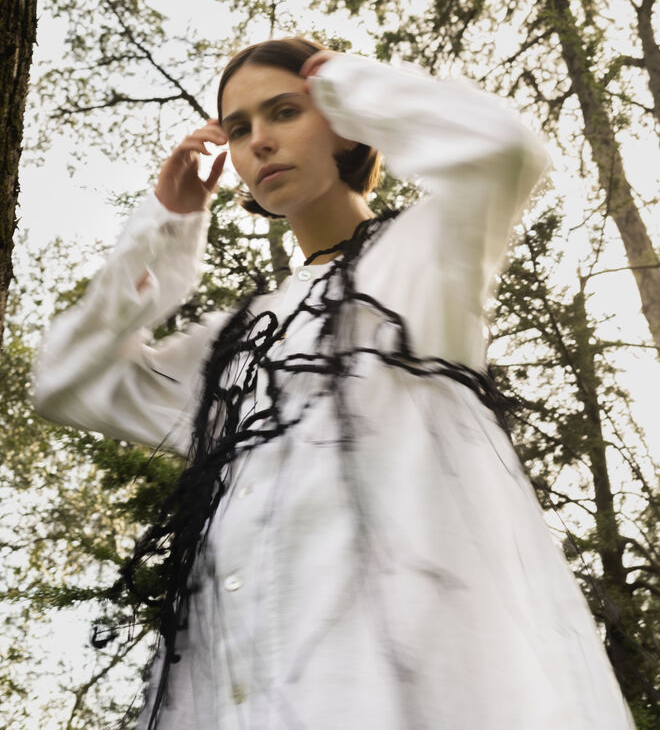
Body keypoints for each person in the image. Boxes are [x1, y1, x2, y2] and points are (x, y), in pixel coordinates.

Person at [34, 37, 635, 729]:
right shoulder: (234, 344)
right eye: (238, 129)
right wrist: (166, 228)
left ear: (343, 125)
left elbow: (504, 151)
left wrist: (352, 86)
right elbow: (66, 381)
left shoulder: (421, 260)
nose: (260, 141)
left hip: (407, 697)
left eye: (285, 111)